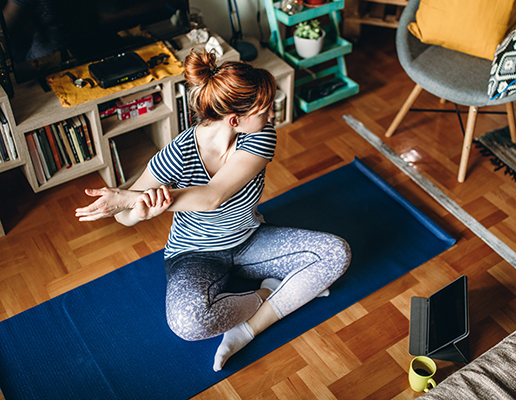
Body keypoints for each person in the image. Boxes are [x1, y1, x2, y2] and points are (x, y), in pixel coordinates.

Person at [75, 49, 351, 372]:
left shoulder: (259, 137)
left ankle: (248, 329)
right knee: (188, 323)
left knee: (336, 253)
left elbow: (213, 197)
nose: (272, 116)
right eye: (265, 110)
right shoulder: (177, 154)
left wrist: (133, 198)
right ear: (235, 120)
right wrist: (139, 209)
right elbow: (125, 217)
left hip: (249, 241)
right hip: (195, 254)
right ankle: (267, 291)